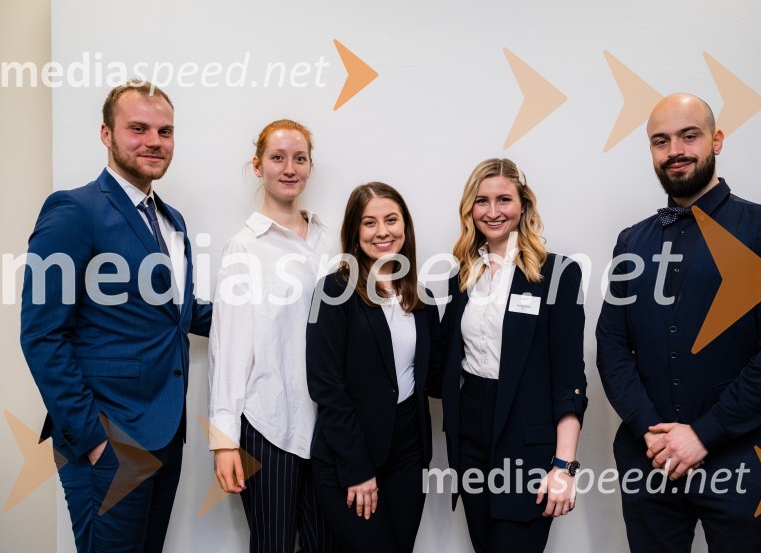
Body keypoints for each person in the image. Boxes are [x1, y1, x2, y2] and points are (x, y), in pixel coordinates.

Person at [596, 93, 761, 552]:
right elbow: (611, 343)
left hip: (743, 461)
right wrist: (652, 433)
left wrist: (702, 435)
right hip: (649, 459)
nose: (675, 149)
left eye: (688, 135)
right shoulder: (630, 242)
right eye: (661, 140)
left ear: (716, 140)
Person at [19, 80, 212, 552]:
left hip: (166, 432)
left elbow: (174, 313)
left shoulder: (173, 220)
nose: (154, 141)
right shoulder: (73, 210)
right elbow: (42, 334)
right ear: (106, 134)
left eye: (165, 131)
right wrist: (93, 439)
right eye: (138, 128)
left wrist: (272, 314)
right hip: (107, 438)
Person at [440, 158, 587, 553]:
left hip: (528, 443)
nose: (492, 211)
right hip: (471, 440)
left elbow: (570, 379)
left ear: (523, 205)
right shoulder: (462, 276)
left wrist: (564, 466)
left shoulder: (557, 274)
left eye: (503, 199)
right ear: (470, 208)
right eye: (482, 201)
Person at [208, 119, 338, 553]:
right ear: (258, 165)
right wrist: (224, 441)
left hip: (328, 426)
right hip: (268, 426)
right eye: (278, 157)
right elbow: (228, 350)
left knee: (326, 545)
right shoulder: (244, 248)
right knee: (273, 545)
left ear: (309, 166)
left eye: (299, 158)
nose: (289, 168)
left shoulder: (331, 242)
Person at [305, 183, 443, 553]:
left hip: (408, 455)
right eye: (369, 223)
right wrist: (357, 469)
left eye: (391, 220)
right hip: (349, 457)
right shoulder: (333, 290)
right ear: (354, 232)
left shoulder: (422, 297)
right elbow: (326, 387)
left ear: (405, 227)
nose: (382, 231)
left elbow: (436, 378)